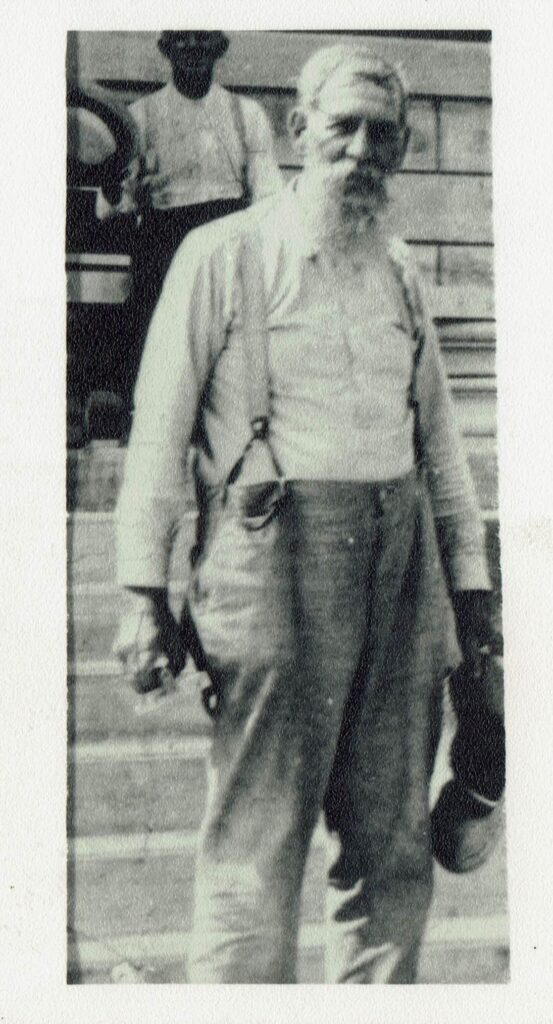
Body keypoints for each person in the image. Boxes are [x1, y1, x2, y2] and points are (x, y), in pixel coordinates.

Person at [114, 44, 504, 984]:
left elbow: (442, 450)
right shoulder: (223, 255)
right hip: (270, 577)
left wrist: (472, 598)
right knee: (254, 855)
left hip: (400, 583)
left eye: (383, 135)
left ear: (403, 147)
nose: (362, 151)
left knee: (392, 851)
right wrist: (141, 594)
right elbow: (158, 435)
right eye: (343, 128)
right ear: (298, 131)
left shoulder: (400, 269)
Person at [95, 30, 282, 412]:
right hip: (163, 244)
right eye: (182, 39)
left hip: (227, 239)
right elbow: (112, 205)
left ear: (219, 48)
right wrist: (116, 184)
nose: (193, 48)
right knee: (156, 348)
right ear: (166, 48)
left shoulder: (245, 115)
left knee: (232, 343)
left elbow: (269, 196)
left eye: (203, 38)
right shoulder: (141, 116)